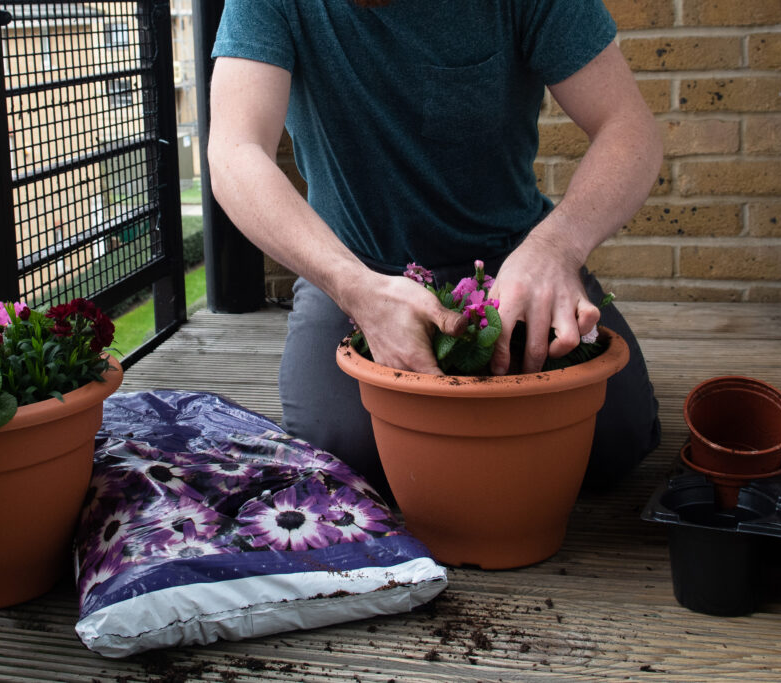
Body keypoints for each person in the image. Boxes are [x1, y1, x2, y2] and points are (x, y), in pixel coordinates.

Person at [208, 0, 663, 494]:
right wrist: (353, 285)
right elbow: (235, 151)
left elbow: (628, 128)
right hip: (353, 268)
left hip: (517, 263)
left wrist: (557, 248)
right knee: (348, 460)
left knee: (614, 444)